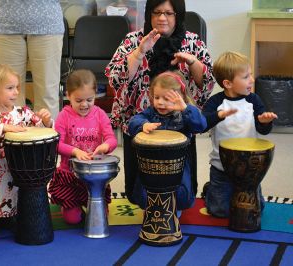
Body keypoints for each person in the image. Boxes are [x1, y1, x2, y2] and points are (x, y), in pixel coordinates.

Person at [105, 0, 215, 203]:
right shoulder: (132, 40)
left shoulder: (193, 42)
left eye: (169, 13)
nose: (162, 18)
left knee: (183, 192)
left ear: (178, 15)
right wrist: (140, 52)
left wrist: (192, 61)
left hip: (180, 126)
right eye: (156, 12)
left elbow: (206, 83)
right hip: (140, 123)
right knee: (137, 194)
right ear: (149, 15)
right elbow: (115, 79)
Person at [0, 62, 53, 228]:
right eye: (10, 88)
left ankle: (18, 213)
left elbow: (41, 130)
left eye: (17, 87)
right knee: (1, 213)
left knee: (23, 199)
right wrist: (4, 127)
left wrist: (46, 120)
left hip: (20, 167)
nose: (16, 92)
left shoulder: (21, 112)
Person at [202, 51, 278, 218]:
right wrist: (217, 116)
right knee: (219, 211)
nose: (251, 79)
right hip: (221, 166)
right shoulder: (215, 103)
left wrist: (265, 121)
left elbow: (263, 130)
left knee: (257, 208)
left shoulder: (253, 100)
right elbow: (202, 125)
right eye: (245, 77)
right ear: (228, 83)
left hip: (249, 167)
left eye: (250, 74)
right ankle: (210, 192)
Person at [128, 71, 207, 210]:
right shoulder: (151, 113)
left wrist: (185, 108)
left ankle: (173, 209)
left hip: (178, 164)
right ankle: (152, 210)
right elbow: (134, 121)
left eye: (167, 98)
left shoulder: (185, 114)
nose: (160, 103)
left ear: (181, 97)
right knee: (144, 194)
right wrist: (143, 125)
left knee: (181, 194)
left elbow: (201, 125)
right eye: (157, 97)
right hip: (151, 163)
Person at [48, 69, 118, 224]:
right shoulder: (63, 116)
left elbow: (111, 139)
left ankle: (91, 202)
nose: (84, 104)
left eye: (90, 99)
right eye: (78, 100)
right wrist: (75, 151)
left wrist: (105, 146)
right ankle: (70, 206)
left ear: (95, 94)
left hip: (94, 175)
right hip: (70, 175)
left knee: (101, 218)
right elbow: (56, 143)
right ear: (68, 95)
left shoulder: (99, 114)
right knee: (73, 219)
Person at [0, 0, 64, 119]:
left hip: (47, 22)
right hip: (4, 22)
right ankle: (12, 136)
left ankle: (46, 137)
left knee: (47, 92)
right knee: (8, 93)